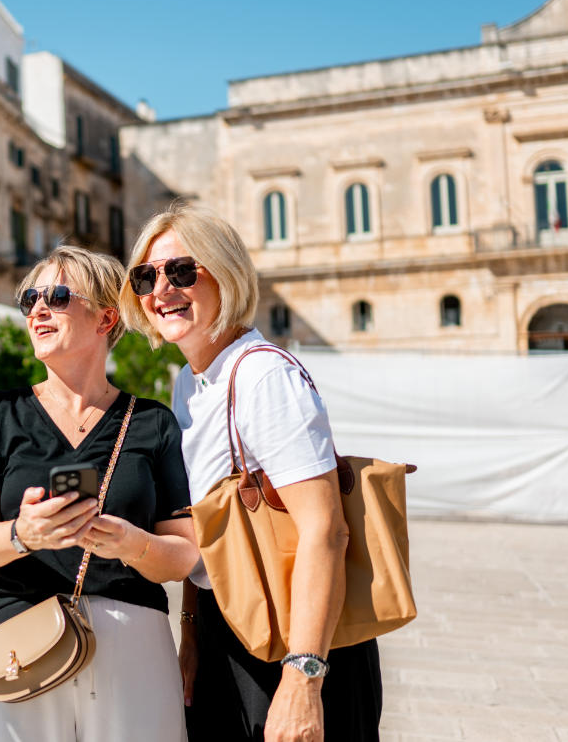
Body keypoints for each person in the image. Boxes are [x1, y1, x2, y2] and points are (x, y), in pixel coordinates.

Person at [119, 202, 383, 742]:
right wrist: (192, 636)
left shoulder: (263, 374)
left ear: (227, 272)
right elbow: (208, 524)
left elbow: (325, 529)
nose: (161, 290)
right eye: (146, 276)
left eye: (182, 271)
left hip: (292, 634)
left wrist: (304, 677)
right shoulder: (190, 382)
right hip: (231, 623)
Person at [0, 246, 198, 742]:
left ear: (107, 317)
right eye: (30, 300)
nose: (38, 309)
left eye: (58, 296)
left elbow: (186, 554)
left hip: (133, 646)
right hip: (22, 643)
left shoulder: (152, 422)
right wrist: (26, 534)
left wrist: (130, 543)